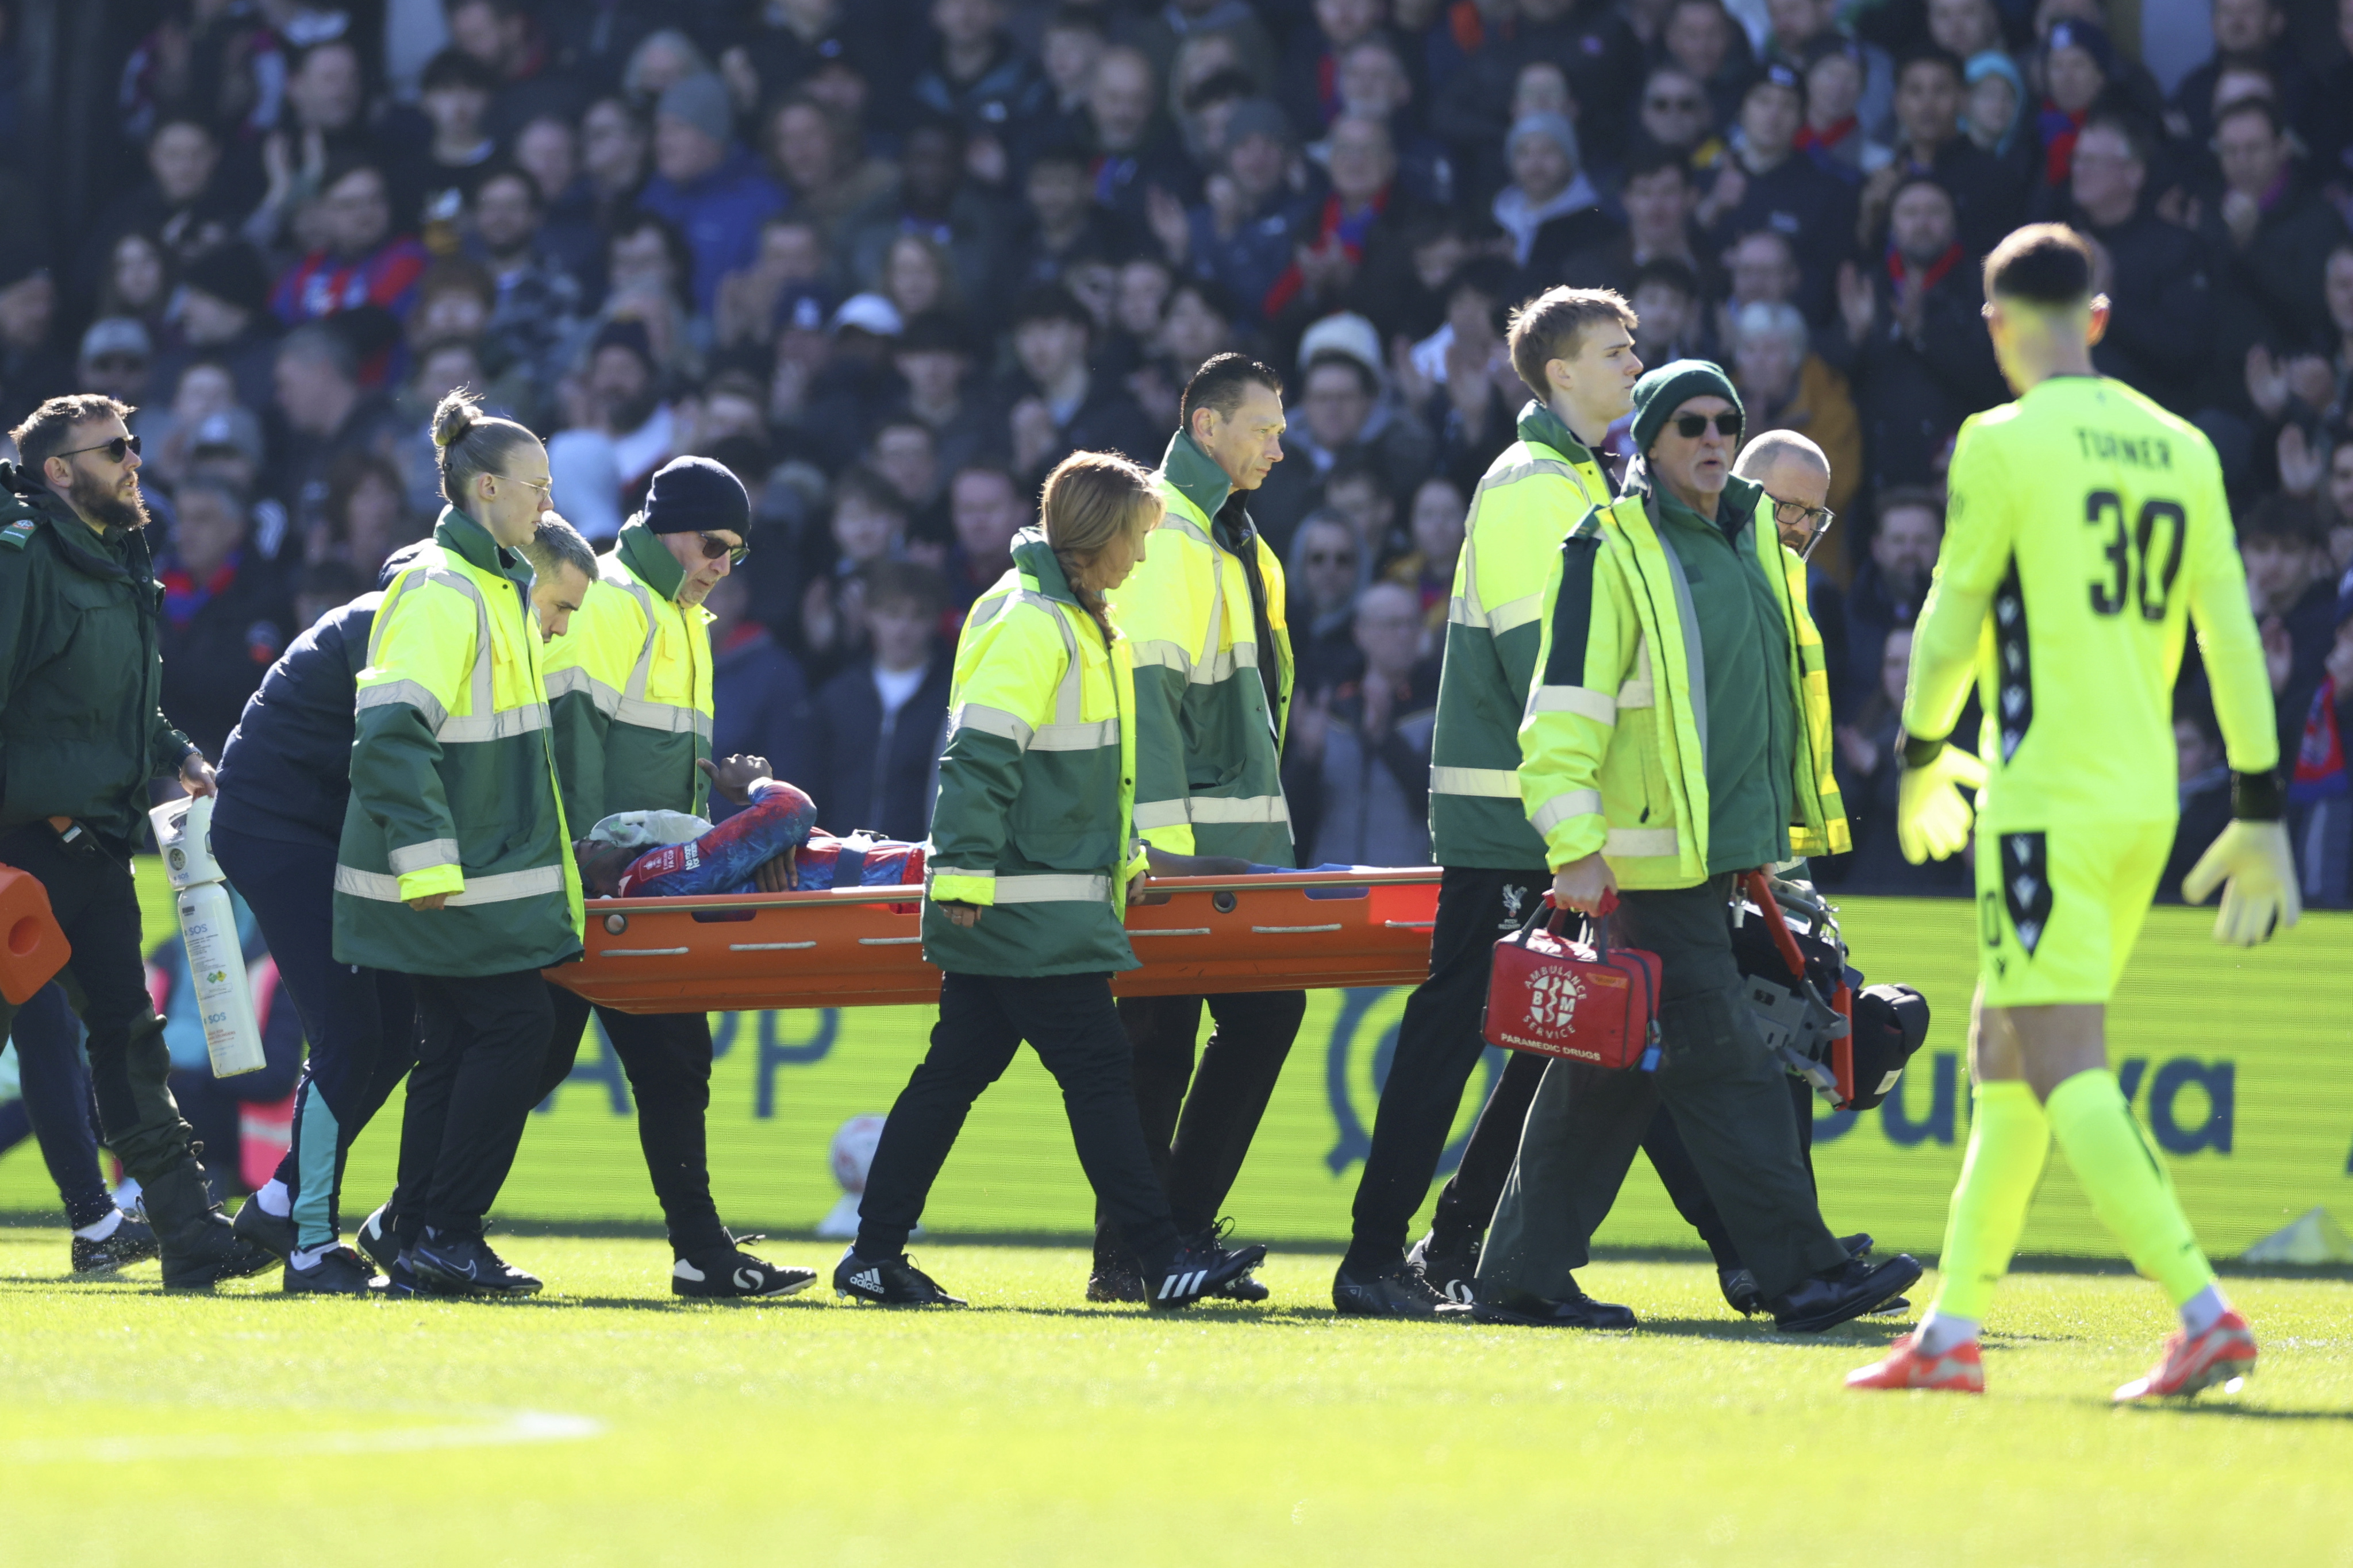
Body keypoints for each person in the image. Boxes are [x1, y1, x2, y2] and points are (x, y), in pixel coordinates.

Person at [1849, 225, 2295, 1401]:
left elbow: (1950, 609)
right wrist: (2259, 806)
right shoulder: (2181, 445)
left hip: (2041, 798)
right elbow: (2230, 637)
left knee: (2061, 1063)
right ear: (2095, 319)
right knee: (2004, 1053)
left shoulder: (2002, 441)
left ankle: (2201, 1311)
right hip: (2147, 800)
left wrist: (1919, 750)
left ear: (1997, 326)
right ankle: (1951, 1331)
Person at [1487, 360, 1923, 1331]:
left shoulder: (1752, 538)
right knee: (1728, 1064)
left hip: (1717, 858)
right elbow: (1560, 713)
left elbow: (1761, 701)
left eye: (1726, 421)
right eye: (1689, 424)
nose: (1713, 439)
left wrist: (1766, 841)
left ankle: (1518, 1276)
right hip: (1644, 867)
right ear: (1647, 439)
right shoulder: (1609, 545)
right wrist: (1571, 842)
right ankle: (1798, 1272)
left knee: (1604, 1076)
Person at [832, 450, 1267, 1309]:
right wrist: (958, 879)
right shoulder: (1040, 622)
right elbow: (979, 760)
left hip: (1022, 902)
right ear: (1100, 537)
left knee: (952, 1077)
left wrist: (1124, 863)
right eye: (1138, 537)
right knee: (1100, 1072)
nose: (1143, 556)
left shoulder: (1057, 615)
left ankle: (875, 1252)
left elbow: (1077, 781)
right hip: (1026, 910)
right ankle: (1158, 1255)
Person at [1333, 287, 1637, 1316]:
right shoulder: (1532, 488)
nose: (1632, 363)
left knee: (1546, 1043)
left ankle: (1445, 1244)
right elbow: (1546, 670)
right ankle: (1376, 1258)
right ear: (1559, 372)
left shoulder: (1573, 479)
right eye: (1613, 349)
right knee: (1453, 1039)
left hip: (1536, 814)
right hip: (1518, 816)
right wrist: (1577, 822)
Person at [217, 518, 594, 1293]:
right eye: (557, 608)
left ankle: (286, 1202)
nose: (559, 631)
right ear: (515, 581)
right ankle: (310, 1242)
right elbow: (405, 759)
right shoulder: (428, 613)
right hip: (281, 828)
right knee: (353, 1034)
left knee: (395, 1038)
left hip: (334, 829)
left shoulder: (450, 613)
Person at [0, 395, 275, 1286]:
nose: (133, 460)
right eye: (114, 448)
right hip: (22, 848)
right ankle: (170, 1228)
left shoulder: (121, 558)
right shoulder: (22, 564)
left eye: (134, 443)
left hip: (98, 844)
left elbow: (121, 705)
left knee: (129, 1042)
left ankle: (190, 1236)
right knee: (114, 1040)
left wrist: (180, 752)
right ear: (57, 471)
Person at [539, 455, 818, 1300]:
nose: (724, 563)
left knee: (652, 1060)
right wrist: (582, 866)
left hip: (646, 891)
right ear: (669, 530)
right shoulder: (617, 600)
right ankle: (412, 1216)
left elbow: (655, 769)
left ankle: (700, 1246)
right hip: (605, 891)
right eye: (713, 543)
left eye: (738, 550)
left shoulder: (680, 618)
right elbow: (569, 733)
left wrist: (722, 801)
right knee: (545, 1059)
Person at [336, 389, 586, 1298]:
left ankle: (412, 1229)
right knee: (517, 1026)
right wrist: (428, 864)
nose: (546, 506)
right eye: (537, 487)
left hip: (468, 876)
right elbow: (393, 734)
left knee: (452, 1042)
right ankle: (445, 1231)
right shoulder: (446, 589)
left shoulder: (490, 584)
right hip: (449, 879)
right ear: (487, 488)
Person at [1089, 353, 1301, 1303]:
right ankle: (1147, 1247)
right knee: (1168, 1035)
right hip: (1182, 849)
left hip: (1228, 841)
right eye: (1262, 427)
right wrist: (1158, 852)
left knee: (1183, 1033)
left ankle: (1154, 1243)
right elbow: (1149, 703)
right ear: (1207, 428)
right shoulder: (1172, 534)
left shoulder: (1233, 540)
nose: (1278, 444)